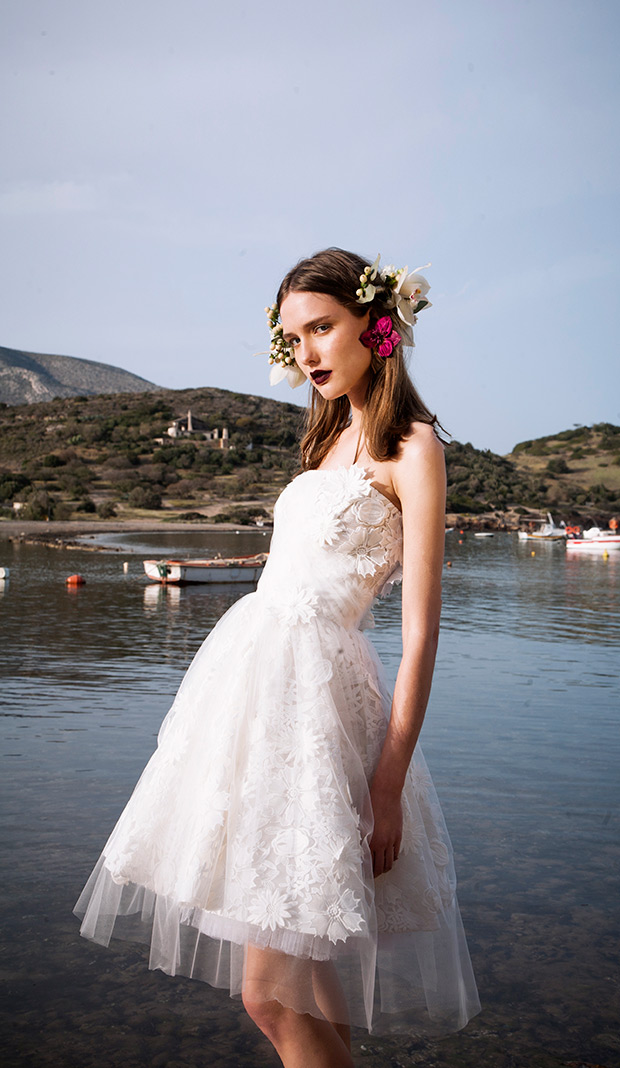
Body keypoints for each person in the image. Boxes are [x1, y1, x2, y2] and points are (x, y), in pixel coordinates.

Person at [75, 248, 480, 1067]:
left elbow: (423, 631)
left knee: (267, 992)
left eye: (323, 328)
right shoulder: (324, 442)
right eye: (295, 337)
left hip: (321, 711)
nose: (308, 352)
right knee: (300, 984)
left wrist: (389, 780)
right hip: (256, 707)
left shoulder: (414, 447)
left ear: (377, 325)